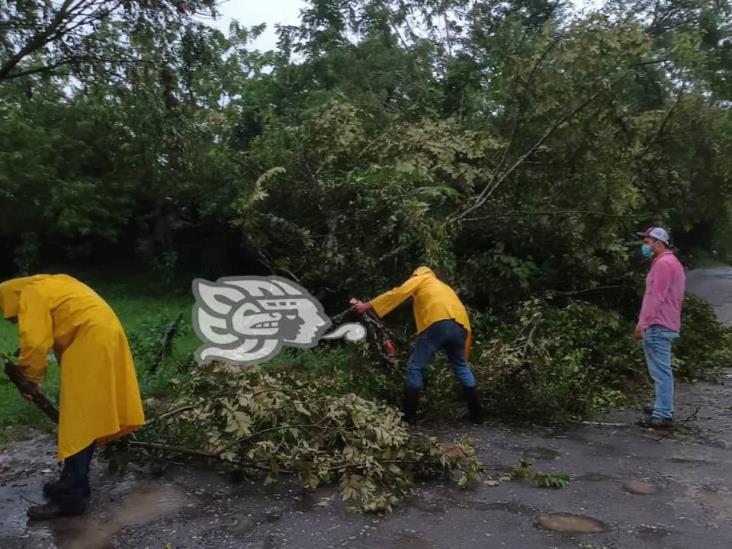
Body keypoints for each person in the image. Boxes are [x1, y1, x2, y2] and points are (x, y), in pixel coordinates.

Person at [0, 274, 145, 520]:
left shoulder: (31, 294)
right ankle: (73, 485)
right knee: (84, 420)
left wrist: (30, 380)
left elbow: (34, 342)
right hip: (104, 337)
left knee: (79, 423)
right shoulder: (52, 284)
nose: (13, 320)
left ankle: (71, 497)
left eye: (11, 316)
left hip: (92, 343)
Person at [350, 266, 483, 425]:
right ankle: (477, 416)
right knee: (461, 366)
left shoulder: (421, 278)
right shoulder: (444, 287)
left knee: (415, 367)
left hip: (438, 322)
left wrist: (367, 306)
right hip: (461, 326)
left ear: (416, 274)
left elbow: (398, 293)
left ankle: (409, 416)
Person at [634, 228, 686, 429]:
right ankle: (661, 406)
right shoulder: (669, 262)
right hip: (665, 322)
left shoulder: (664, 264)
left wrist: (643, 323)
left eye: (647, 242)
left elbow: (656, 297)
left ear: (658, 243)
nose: (645, 246)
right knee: (661, 370)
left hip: (658, 323)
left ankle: (663, 413)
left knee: (661, 371)